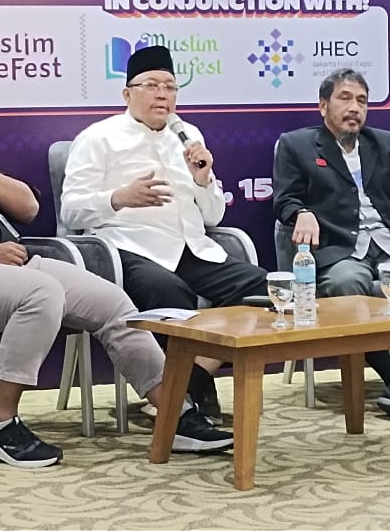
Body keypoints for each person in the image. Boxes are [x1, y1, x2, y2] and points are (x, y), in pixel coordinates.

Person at [0, 84, 233, 469]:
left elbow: (27, 208)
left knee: (114, 303)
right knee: (41, 295)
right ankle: (1, 423)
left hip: (14, 263)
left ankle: (174, 414)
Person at [60, 46, 267, 417]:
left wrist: (203, 180)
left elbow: (214, 216)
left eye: (170, 87)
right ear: (127, 94)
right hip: (129, 248)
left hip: (191, 248)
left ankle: (190, 384)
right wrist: (119, 198)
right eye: (152, 85)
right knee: (169, 292)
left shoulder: (188, 136)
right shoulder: (98, 138)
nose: (162, 95)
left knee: (263, 291)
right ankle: (184, 398)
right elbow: (70, 209)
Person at [272, 68, 390, 422]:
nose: (354, 108)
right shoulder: (296, 145)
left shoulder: (384, 143)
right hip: (340, 248)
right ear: (323, 106)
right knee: (347, 282)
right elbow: (285, 199)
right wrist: (301, 212)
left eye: (362, 101)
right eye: (345, 98)